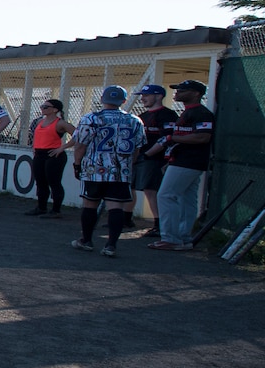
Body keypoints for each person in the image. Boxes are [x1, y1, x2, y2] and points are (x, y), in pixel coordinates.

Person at [68, 85, 145, 257]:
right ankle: (111, 245)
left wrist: (77, 164)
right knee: (115, 206)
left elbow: (81, 144)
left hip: (94, 168)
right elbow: (137, 148)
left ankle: (86, 240)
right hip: (120, 170)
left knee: (90, 204)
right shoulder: (135, 120)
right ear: (123, 101)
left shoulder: (91, 118)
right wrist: (128, 165)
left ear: (102, 99)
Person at [151, 80, 216, 252]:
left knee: (166, 196)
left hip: (189, 161)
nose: (177, 92)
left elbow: (203, 137)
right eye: (177, 89)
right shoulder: (187, 112)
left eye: (183, 90)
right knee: (186, 199)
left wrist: (173, 138)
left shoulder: (201, 113)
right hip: (182, 160)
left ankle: (171, 238)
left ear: (196, 93)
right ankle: (183, 238)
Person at [131, 84, 179, 238]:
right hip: (140, 156)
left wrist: (149, 154)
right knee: (130, 186)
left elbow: (167, 138)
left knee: (151, 190)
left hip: (154, 158)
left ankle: (159, 224)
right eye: (142, 95)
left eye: (147, 95)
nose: (143, 98)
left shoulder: (168, 115)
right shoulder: (142, 116)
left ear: (158, 96)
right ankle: (126, 218)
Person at [24, 99, 75, 218]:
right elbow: (37, 136)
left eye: (46, 107)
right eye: (42, 106)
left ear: (55, 109)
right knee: (40, 182)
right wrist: (34, 147)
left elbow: (78, 134)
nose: (43, 108)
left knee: (54, 182)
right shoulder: (40, 122)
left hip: (53, 155)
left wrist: (63, 147)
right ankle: (41, 207)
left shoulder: (60, 123)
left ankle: (56, 210)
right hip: (39, 154)